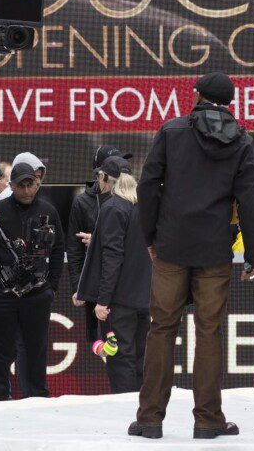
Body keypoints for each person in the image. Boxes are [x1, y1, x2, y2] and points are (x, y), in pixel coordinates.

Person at [130, 72, 254, 440]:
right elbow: (251, 200)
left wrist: (151, 235)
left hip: (171, 246)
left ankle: (149, 419)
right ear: (230, 103)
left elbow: (147, 184)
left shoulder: (173, 130)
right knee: (209, 333)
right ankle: (208, 420)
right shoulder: (241, 140)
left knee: (161, 329)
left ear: (196, 95)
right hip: (215, 250)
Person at [0, 163, 65, 401]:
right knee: (0, 351)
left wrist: (51, 286)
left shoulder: (49, 211)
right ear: (11, 186)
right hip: (3, 294)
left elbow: (59, 248)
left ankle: (37, 397)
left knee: (36, 350)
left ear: (37, 184)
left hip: (37, 294)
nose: (26, 190)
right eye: (21, 185)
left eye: (30, 184)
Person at [75, 156, 151, 393]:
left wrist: (103, 299)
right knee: (141, 359)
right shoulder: (144, 208)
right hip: (146, 298)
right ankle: (144, 412)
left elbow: (113, 257)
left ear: (105, 178)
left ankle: (127, 414)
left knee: (120, 359)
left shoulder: (112, 208)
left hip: (119, 301)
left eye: (99, 177)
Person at [68, 145, 132, 343]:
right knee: (102, 344)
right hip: (97, 284)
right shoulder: (82, 202)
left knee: (125, 347)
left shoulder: (133, 200)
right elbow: (74, 249)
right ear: (100, 174)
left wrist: (96, 241)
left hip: (127, 283)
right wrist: (79, 285)